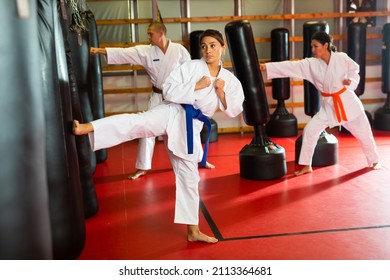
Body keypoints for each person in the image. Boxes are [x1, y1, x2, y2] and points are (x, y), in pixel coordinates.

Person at [73, 29, 245, 243]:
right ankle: (87, 128)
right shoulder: (191, 67)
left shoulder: (230, 80)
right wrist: (196, 86)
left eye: (212, 45)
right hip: (172, 111)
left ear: (223, 48)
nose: (208, 50)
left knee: (189, 179)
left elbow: (233, 110)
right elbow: (168, 91)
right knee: (138, 122)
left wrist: (221, 93)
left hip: (190, 128)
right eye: (204, 46)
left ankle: (193, 231)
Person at [90, 21, 214, 180]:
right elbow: (125, 53)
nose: (147, 36)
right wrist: (101, 50)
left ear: (161, 33)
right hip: (157, 97)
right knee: (145, 131)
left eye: (150, 34)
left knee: (187, 129)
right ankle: (142, 167)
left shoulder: (179, 50)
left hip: (178, 98)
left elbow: (190, 72)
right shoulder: (146, 52)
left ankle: (199, 159)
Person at [260, 30, 381, 176]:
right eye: (311, 46)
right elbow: (292, 66)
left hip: (348, 102)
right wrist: (268, 66)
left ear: (325, 45)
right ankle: (306, 165)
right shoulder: (311, 65)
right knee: (310, 130)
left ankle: (374, 161)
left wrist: (351, 81)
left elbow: (355, 70)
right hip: (329, 106)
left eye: (315, 46)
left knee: (364, 133)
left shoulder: (341, 58)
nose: (313, 50)